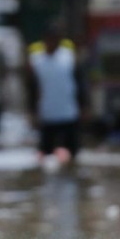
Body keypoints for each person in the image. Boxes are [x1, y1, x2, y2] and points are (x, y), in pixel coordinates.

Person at [27, 24, 83, 163]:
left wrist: (84, 105)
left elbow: (80, 83)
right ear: (45, 40)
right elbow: (32, 89)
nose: (52, 42)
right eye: (50, 39)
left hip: (68, 114)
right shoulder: (36, 60)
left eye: (55, 39)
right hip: (47, 115)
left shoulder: (69, 57)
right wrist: (31, 112)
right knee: (45, 156)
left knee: (73, 155)